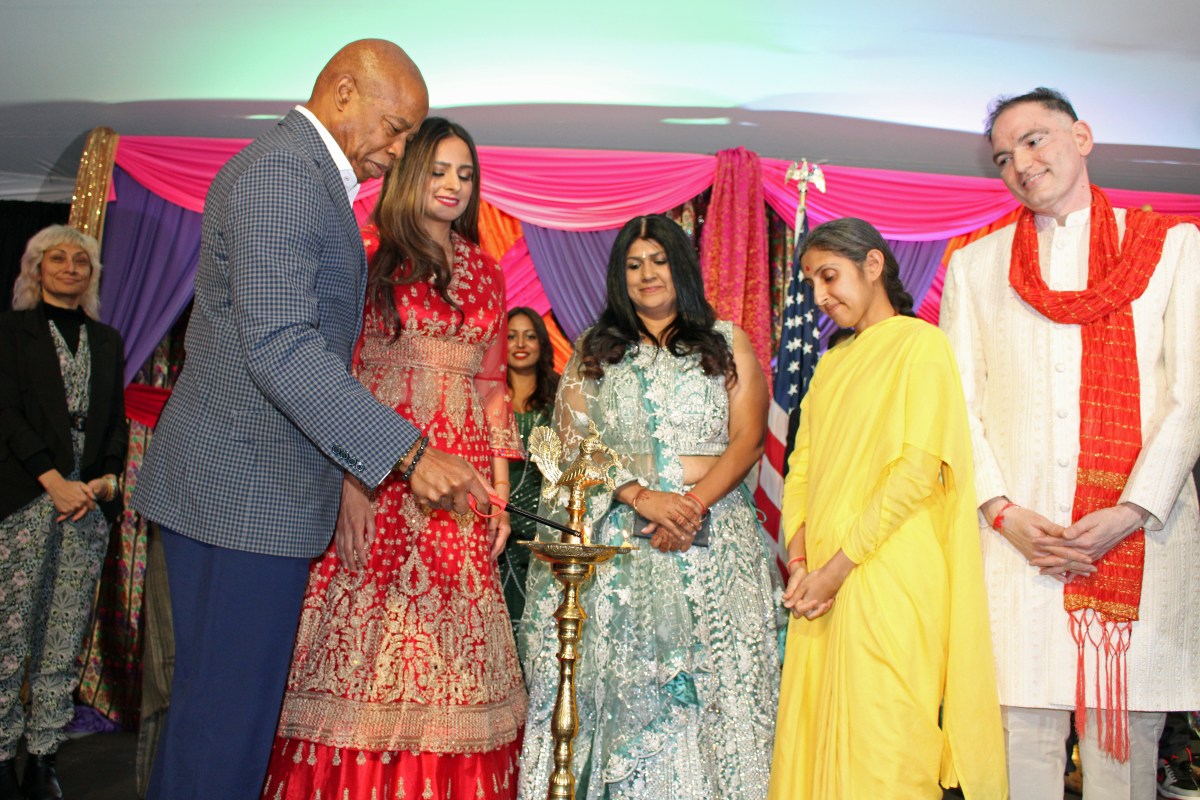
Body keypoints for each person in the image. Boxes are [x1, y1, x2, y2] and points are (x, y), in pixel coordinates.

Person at [131, 42, 496, 800]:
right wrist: (408, 452)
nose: (400, 152)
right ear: (341, 91)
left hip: (256, 496)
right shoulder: (282, 177)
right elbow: (281, 344)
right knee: (219, 731)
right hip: (239, 497)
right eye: (395, 129)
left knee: (226, 727)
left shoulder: (310, 182)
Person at [938, 87, 1200, 799]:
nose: (1020, 163)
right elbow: (957, 407)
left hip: (1139, 541)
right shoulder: (976, 265)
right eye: (1002, 156)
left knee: (1123, 751)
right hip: (1019, 548)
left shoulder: (1174, 248)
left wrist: (1129, 511)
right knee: (1020, 745)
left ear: (1081, 137)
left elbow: (1191, 397)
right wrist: (1001, 511)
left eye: (1034, 139)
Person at [263, 118, 527, 800]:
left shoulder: (487, 272)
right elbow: (339, 372)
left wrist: (499, 493)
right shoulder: (369, 254)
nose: (453, 186)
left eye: (465, 175)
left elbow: (494, 388)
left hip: (459, 481)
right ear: (411, 174)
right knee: (364, 644)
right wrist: (352, 481)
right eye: (439, 170)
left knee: (454, 654)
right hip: (382, 463)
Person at [517, 214, 782, 799]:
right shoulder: (594, 349)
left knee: (714, 683)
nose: (646, 274)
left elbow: (748, 439)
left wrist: (689, 505)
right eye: (633, 265)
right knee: (626, 686)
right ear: (619, 277)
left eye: (658, 261)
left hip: (713, 535)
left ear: (679, 266)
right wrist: (642, 498)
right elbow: (570, 444)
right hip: (620, 539)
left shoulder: (726, 340)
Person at [768, 218, 1006, 799]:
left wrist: (836, 568)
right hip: (821, 581)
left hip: (888, 575)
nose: (821, 296)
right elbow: (802, 467)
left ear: (873, 266)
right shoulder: (831, 362)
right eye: (812, 284)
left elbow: (918, 471)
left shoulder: (921, 345)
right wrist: (800, 562)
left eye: (830, 276)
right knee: (814, 736)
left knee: (887, 742)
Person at [0, 225, 127, 800]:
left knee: (63, 636)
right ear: (36, 268)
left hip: (85, 511)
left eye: (82, 260)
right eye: (59, 258)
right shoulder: (11, 332)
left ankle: (44, 756)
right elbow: (6, 414)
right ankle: (2, 755)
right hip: (26, 499)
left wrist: (103, 484)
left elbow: (114, 426)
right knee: (10, 634)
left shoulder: (106, 340)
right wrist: (53, 482)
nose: (71, 267)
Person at [499, 307, 559, 637]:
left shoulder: (560, 396)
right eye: (511, 336)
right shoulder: (486, 395)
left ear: (542, 344)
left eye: (530, 335)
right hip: (494, 520)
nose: (520, 343)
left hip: (543, 524)